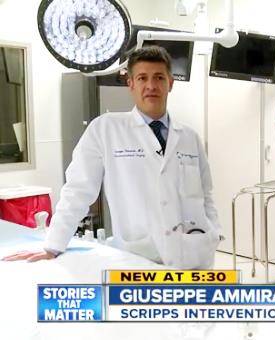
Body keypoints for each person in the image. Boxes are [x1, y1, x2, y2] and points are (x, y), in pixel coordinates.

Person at [2, 46, 221, 268]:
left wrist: (214, 233)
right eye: (142, 78)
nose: (151, 86)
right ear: (131, 84)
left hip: (195, 257)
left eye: (159, 78)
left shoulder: (190, 137)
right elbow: (78, 190)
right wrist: (53, 245)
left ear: (170, 83)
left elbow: (206, 195)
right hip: (140, 258)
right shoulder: (106, 129)